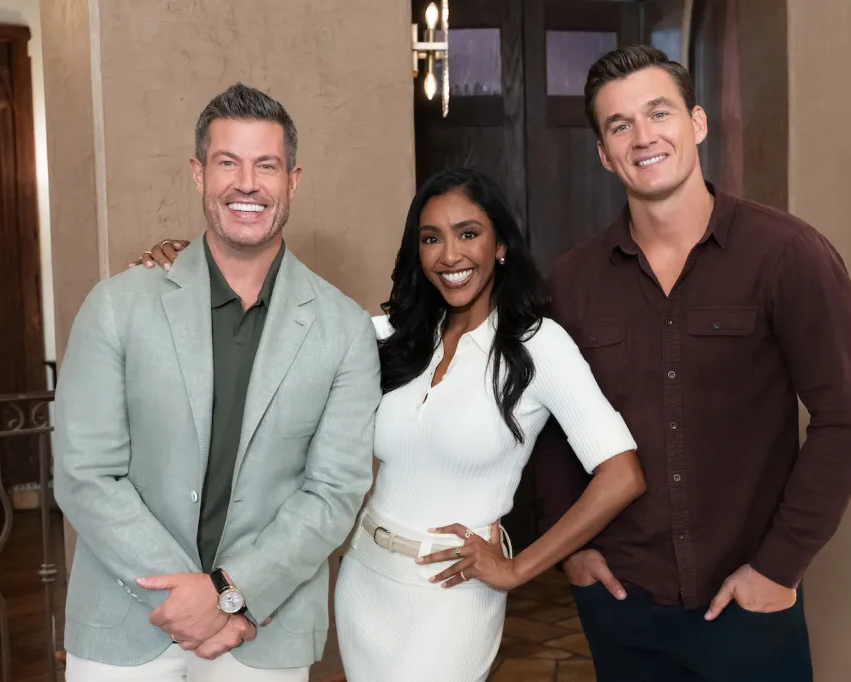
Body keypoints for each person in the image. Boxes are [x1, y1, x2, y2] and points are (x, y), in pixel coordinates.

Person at [131, 167, 646, 682]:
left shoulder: (539, 345)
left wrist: (517, 569)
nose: (450, 256)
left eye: (468, 233)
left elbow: (622, 474)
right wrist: (204, 266)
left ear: (501, 245)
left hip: (453, 593)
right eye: (431, 239)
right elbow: (279, 318)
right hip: (366, 579)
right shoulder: (389, 336)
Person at [531, 45, 851, 681]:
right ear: (603, 153)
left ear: (697, 122)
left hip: (750, 601)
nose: (643, 137)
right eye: (620, 125)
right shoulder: (573, 282)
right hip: (622, 603)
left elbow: (845, 421)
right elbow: (548, 424)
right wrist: (572, 545)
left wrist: (779, 566)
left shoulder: (789, 255)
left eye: (658, 113)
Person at [53, 83, 381, 681]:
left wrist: (231, 593)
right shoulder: (117, 306)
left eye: (267, 165)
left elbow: (334, 491)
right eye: (228, 163)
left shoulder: (344, 329)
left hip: (262, 627)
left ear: (293, 180)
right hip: (123, 624)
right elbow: (85, 473)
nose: (247, 184)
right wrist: (187, 599)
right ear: (199, 173)